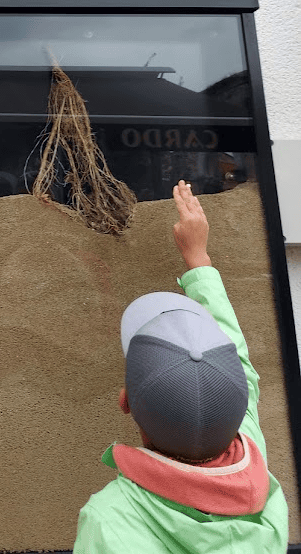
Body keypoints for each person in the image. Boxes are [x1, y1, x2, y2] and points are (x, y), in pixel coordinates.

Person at [73, 179, 289, 553]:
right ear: (240, 401)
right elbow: (237, 358)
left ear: (125, 401)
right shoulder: (259, 479)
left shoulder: (109, 519)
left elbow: (237, 360)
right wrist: (199, 261)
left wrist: (198, 260)